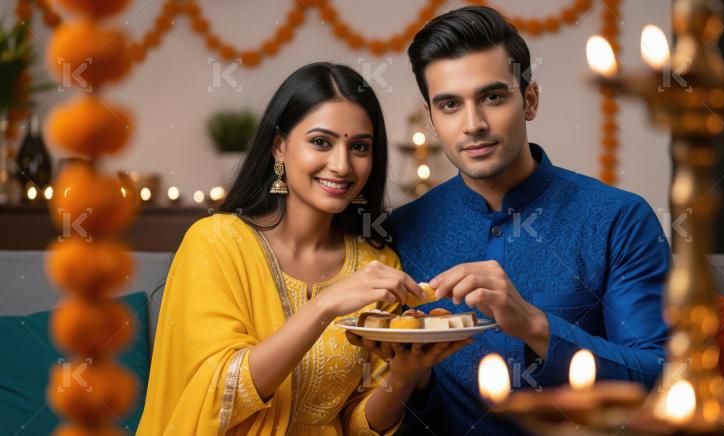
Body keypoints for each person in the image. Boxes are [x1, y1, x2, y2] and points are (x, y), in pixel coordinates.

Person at [350, 6, 672, 434]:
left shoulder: (618, 219)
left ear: (530, 100)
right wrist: (413, 374)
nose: (473, 124)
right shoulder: (400, 231)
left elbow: (664, 377)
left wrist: (535, 325)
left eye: (493, 97)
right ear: (431, 120)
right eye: (450, 105)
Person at [137, 62, 468, 436]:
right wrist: (323, 307)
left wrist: (405, 376)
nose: (342, 165)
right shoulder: (215, 243)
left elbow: (358, 425)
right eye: (321, 142)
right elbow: (218, 395)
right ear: (279, 146)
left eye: (359, 146)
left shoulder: (376, 265)